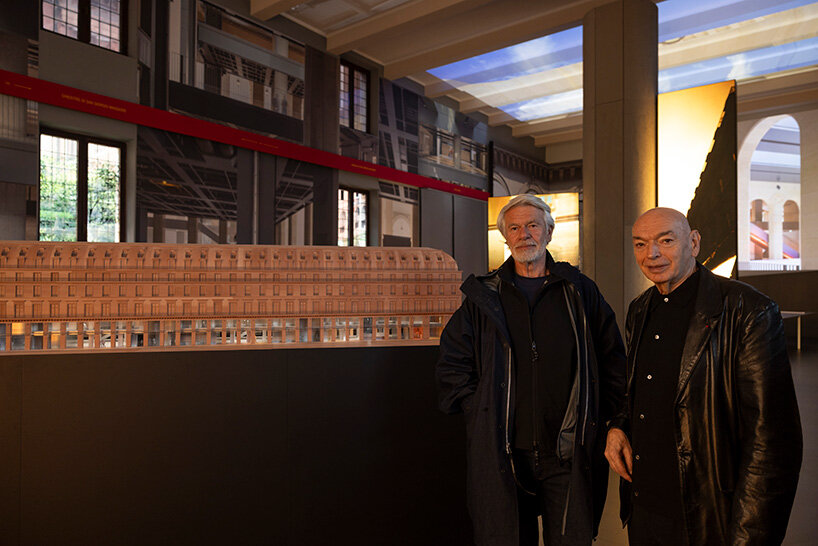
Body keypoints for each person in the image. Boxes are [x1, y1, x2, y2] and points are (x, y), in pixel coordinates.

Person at [605, 207, 803, 545]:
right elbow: (641, 390)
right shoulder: (640, 309)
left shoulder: (747, 311)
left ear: (693, 243)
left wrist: (749, 536)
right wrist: (618, 426)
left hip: (708, 515)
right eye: (640, 244)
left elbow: (772, 441)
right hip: (645, 508)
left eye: (665, 241)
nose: (651, 254)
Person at [436, 194, 626, 546]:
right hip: (503, 453)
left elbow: (612, 357)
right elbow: (453, 363)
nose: (524, 234)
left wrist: (608, 418)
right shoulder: (483, 297)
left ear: (549, 232)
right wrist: (478, 409)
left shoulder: (580, 291)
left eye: (533, 225)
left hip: (567, 454)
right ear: (505, 238)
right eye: (515, 227)